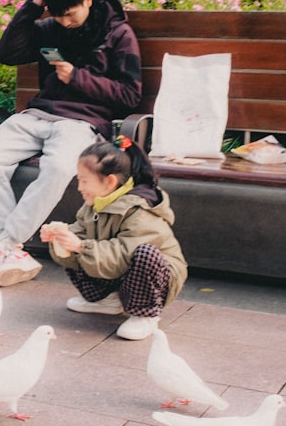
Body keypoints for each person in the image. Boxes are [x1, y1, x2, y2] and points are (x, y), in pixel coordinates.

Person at [0, 0, 143, 287]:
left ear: (88, 0)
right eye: (57, 14)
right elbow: (6, 55)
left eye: (71, 14)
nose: (65, 22)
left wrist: (77, 78)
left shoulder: (118, 33)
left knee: (60, 167)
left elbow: (130, 96)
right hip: (37, 114)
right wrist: (33, 7)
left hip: (82, 122)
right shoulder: (48, 27)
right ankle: (11, 249)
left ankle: (6, 246)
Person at [39, 136, 187, 340]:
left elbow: (126, 254)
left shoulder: (140, 209)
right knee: (80, 245)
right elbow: (81, 233)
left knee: (144, 253)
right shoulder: (95, 203)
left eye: (84, 181)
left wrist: (81, 246)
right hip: (119, 269)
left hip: (157, 277)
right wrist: (61, 238)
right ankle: (108, 299)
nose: (79, 187)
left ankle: (145, 314)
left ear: (109, 182)